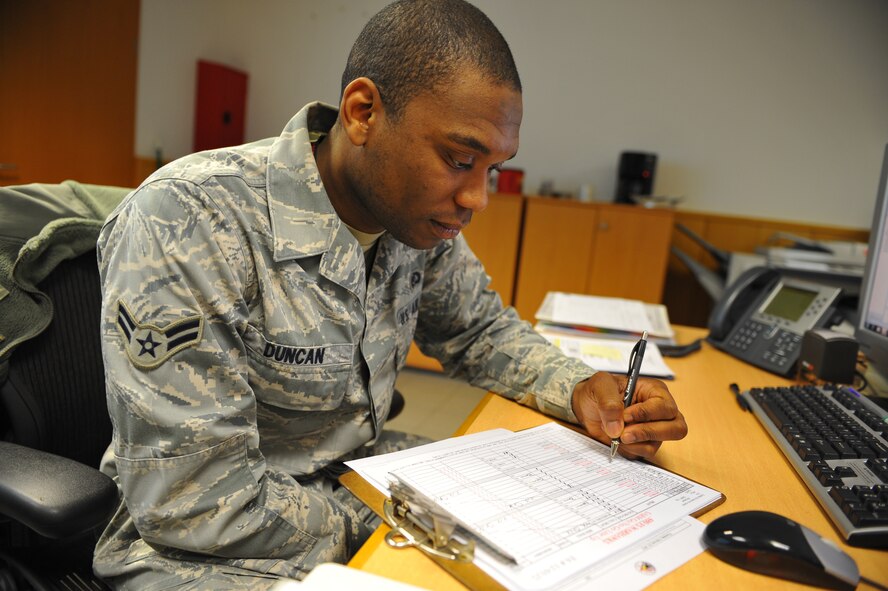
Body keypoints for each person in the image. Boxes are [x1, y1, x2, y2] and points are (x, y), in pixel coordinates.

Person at [93, 0, 688, 588]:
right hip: (205, 554)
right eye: (459, 159)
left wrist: (579, 390)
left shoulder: (410, 222)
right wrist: (415, 527)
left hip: (352, 484)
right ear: (363, 113)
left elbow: (478, 330)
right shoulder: (190, 220)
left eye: (493, 169)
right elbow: (192, 500)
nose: (477, 198)